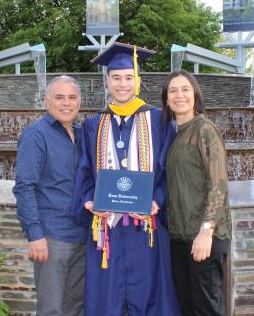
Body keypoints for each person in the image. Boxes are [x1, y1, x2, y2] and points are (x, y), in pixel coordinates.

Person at [72, 42, 181, 316]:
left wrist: (157, 200)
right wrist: (88, 202)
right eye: (116, 77)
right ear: (107, 81)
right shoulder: (93, 125)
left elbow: (170, 172)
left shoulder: (159, 121)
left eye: (129, 77)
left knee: (151, 294)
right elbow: (84, 172)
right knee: (106, 299)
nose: (122, 84)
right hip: (106, 229)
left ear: (139, 81)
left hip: (147, 228)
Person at [13, 75, 87, 316]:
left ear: (79, 102)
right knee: (52, 309)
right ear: (47, 101)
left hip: (83, 236)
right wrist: (35, 234)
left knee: (75, 307)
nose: (66, 103)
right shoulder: (36, 135)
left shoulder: (82, 135)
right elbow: (24, 187)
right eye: (59, 97)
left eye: (72, 97)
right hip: (53, 238)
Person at [161, 70, 232, 316]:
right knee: (188, 307)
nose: (179, 95)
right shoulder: (174, 134)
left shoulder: (204, 129)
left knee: (207, 309)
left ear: (195, 94)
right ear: (167, 99)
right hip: (180, 237)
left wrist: (206, 230)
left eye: (185, 89)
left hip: (204, 237)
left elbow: (218, 182)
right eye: (173, 91)